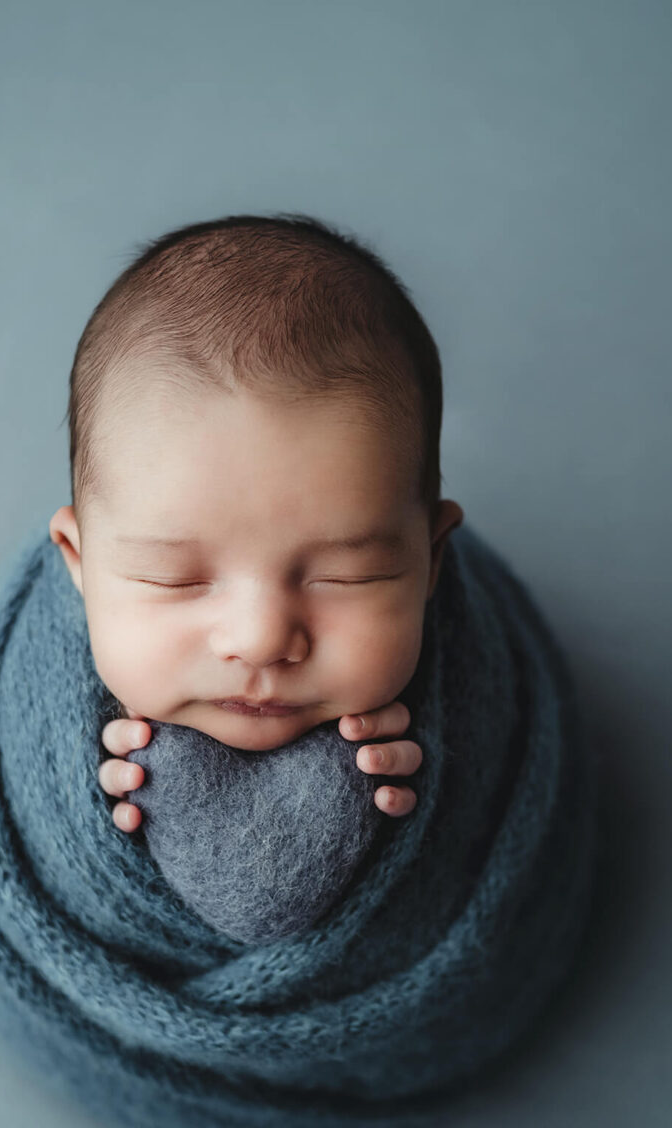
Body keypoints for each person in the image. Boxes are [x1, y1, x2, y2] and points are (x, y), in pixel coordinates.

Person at [46, 212, 464, 835]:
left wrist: (436, 779)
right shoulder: (40, 697)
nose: (263, 639)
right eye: (175, 580)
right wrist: (78, 790)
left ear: (431, 560)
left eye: (345, 578)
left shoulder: (452, 697)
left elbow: (495, 787)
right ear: (78, 562)